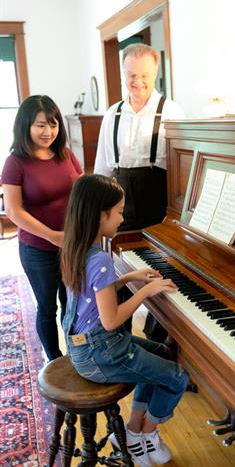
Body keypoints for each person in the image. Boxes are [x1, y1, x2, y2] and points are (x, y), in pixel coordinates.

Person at [61, 174, 189, 467]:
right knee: (177, 377)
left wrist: (129, 278)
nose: (122, 217)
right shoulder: (100, 259)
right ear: (99, 214)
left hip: (86, 348)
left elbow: (95, 297)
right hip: (101, 352)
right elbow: (111, 319)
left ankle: (132, 431)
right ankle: (142, 434)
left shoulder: (78, 246)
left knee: (160, 353)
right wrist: (146, 290)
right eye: (118, 211)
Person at [94, 43, 185, 340]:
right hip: (121, 213)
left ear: (155, 73)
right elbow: (102, 169)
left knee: (163, 276)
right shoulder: (113, 115)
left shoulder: (172, 112)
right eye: (131, 75)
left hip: (160, 211)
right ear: (123, 75)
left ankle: (158, 340)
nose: (138, 82)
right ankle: (117, 341)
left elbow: (183, 172)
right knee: (118, 278)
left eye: (144, 75)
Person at [1, 95, 82, 361]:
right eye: (40, 125)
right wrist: (53, 236)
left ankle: (77, 357)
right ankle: (55, 362)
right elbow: (14, 211)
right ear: (25, 125)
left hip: (71, 244)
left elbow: (82, 191)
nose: (48, 131)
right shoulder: (15, 163)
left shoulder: (66, 155)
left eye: (53, 123)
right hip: (38, 250)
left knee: (73, 304)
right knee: (48, 307)